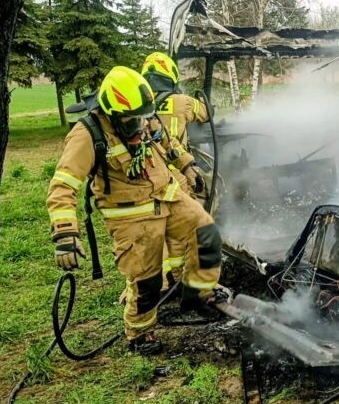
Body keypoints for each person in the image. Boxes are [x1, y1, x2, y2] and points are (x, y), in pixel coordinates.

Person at [46, 66, 225, 355]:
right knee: (147, 280)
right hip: (130, 213)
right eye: (133, 120)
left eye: (145, 117)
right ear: (112, 112)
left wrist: (188, 168)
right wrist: (65, 233)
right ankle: (140, 333)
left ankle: (198, 295)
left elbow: (169, 144)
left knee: (206, 233)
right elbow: (64, 185)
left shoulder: (144, 116)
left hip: (167, 195)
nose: (142, 125)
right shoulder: (87, 135)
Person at [140, 52, 214, 287]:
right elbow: (207, 114)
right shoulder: (182, 101)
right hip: (177, 173)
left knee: (152, 229)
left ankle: (157, 282)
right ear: (170, 76)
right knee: (184, 225)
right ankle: (183, 277)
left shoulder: (139, 105)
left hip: (145, 176)